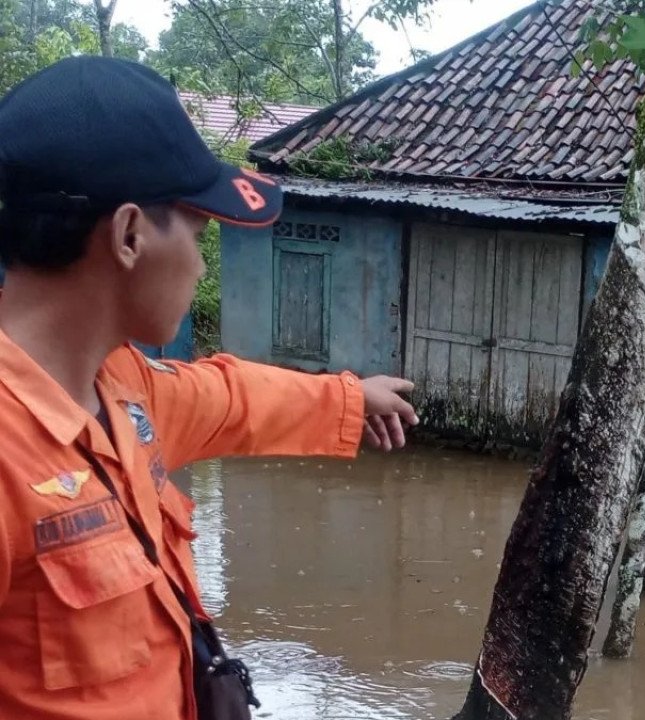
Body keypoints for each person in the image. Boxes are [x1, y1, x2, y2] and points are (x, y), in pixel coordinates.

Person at [0, 56, 420, 719]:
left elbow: (229, 398)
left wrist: (348, 398)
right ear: (129, 235)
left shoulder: (118, 386)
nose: (200, 264)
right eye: (197, 234)